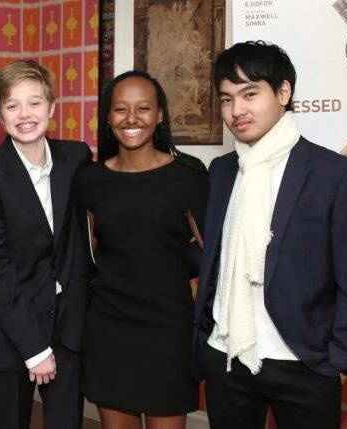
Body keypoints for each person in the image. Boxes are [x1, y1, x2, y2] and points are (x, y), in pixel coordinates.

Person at [193, 40, 347, 429]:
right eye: (227, 99)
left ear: (283, 93)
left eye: (250, 94)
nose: (237, 110)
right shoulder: (222, 171)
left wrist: (340, 359)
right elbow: (215, 258)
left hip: (303, 362)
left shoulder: (334, 174)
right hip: (227, 356)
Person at [74, 70, 208, 429]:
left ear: (160, 114)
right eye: (121, 109)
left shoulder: (189, 177)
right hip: (109, 331)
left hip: (169, 334)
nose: (131, 118)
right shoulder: (90, 180)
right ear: (108, 117)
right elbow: (87, 259)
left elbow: (214, 258)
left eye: (143, 108)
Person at [0, 59, 94, 429]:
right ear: (0, 115)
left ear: (51, 107)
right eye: (12, 105)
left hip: (67, 326)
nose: (25, 114)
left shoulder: (77, 158)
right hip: (9, 330)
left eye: (34, 103)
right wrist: (33, 349)